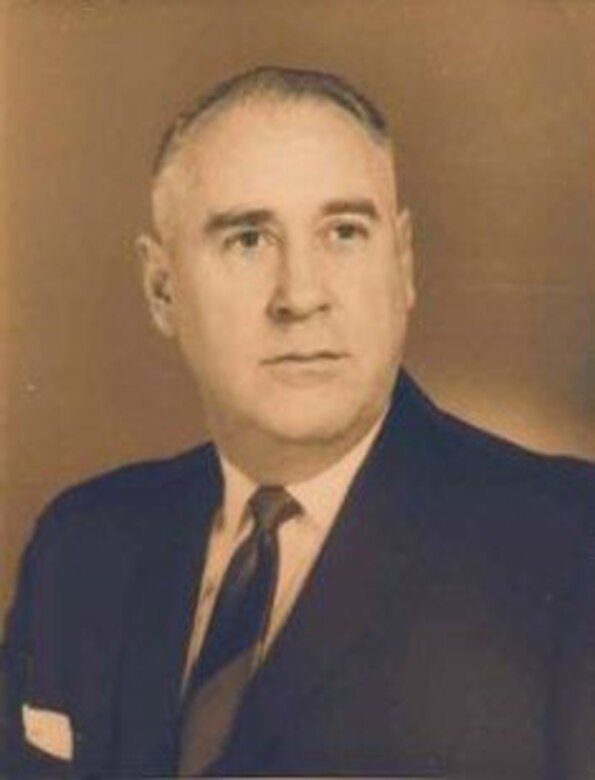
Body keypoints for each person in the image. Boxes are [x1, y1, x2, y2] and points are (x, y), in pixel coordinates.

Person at [1, 66, 594, 779]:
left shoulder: (568, 545)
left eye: (343, 233)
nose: (301, 296)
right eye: (248, 239)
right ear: (161, 289)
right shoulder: (83, 544)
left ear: (401, 265)